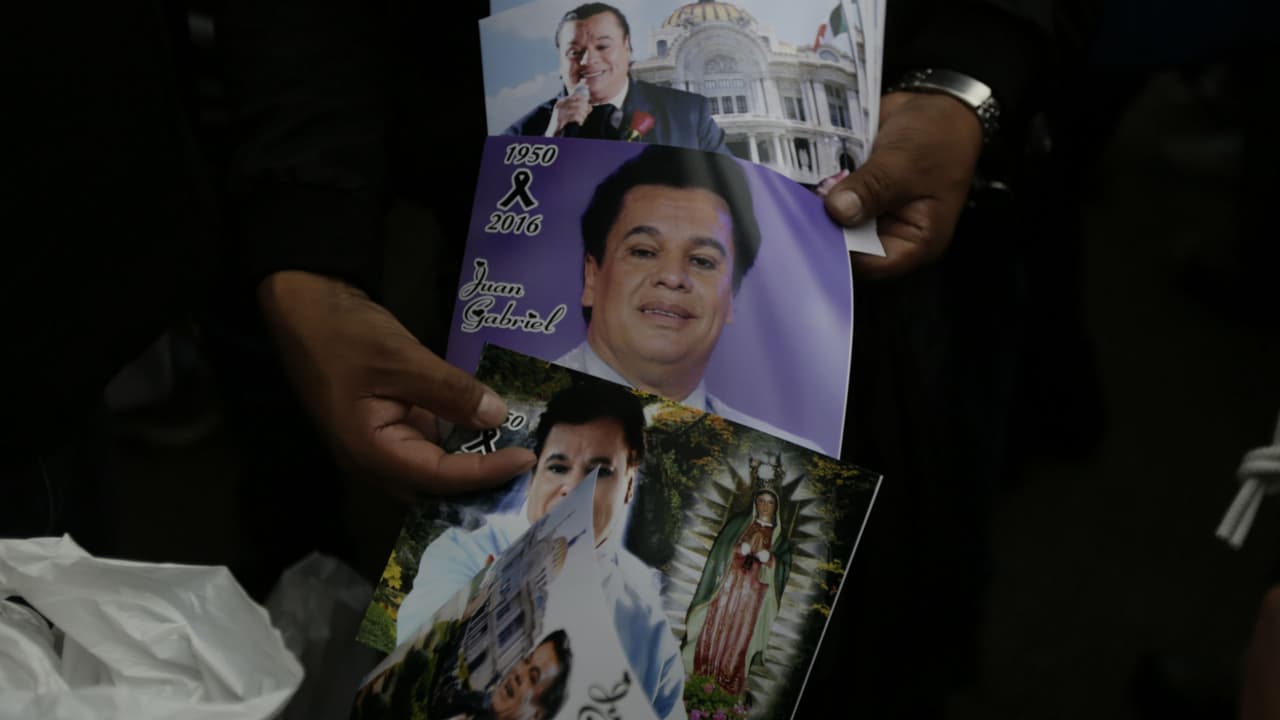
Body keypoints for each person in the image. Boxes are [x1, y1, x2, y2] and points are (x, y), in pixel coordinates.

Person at [396, 382, 686, 720]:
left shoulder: (647, 628)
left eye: (600, 472)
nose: (574, 489)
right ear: (534, 475)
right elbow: (414, 666)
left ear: (629, 486)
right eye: (558, 467)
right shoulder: (462, 557)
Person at [555, 143, 821, 453]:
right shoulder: (494, 408)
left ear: (732, 297)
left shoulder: (792, 466)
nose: (672, 277)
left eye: (702, 261)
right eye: (643, 252)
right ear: (592, 276)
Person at [502, 3, 727, 153]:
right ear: (559, 61)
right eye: (574, 52)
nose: (588, 60)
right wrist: (550, 139)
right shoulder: (523, 133)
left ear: (628, 47)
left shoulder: (688, 114)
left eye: (603, 46)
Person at [680, 456, 793, 699]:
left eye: (769, 502)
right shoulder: (739, 524)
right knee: (715, 631)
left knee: (738, 641)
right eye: (760, 500)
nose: (764, 506)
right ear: (755, 502)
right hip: (727, 591)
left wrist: (770, 560)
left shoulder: (781, 539)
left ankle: (726, 691)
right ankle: (699, 678)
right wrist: (735, 550)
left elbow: (783, 567)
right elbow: (720, 551)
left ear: (776, 506)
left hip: (752, 600)